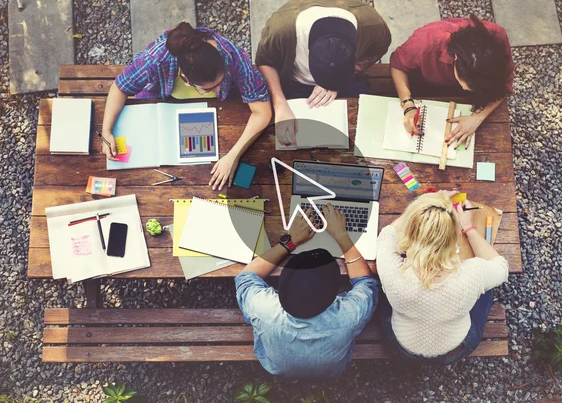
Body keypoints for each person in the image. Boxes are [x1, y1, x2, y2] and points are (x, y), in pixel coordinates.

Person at [100, 22, 271, 190]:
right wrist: (107, 130)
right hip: (159, 101)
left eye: (223, 79)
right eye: (211, 88)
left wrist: (233, 156)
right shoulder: (155, 59)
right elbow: (120, 87)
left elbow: (262, 112)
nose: (220, 88)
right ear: (186, 79)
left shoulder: (233, 56)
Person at [235, 204, 379, 379]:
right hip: (332, 370)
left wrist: (290, 242)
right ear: (335, 294)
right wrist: (341, 236)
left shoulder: (264, 308)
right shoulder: (350, 315)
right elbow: (366, 284)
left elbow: (245, 277)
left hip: (276, 367)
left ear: (280, 288)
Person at [376, 191, 509, 365]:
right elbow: (501, 267)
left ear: (409, 231)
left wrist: (424, 206)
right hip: (456, 348)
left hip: (401, 346)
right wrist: (469, 227)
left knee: (381, 287)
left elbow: (387, 234)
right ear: (454, 236)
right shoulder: (473, 273)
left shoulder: (393, 271)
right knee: (488, 287)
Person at [255, 0, 391, 146]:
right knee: (290, 135)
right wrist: (279, 104)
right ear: (308, 46)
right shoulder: (281, 31)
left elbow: (378, 49)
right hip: (296, 81)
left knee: (365, 131)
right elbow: (264, 61)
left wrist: (340, 79)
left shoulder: (373, 26)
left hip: (347, 79)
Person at [390, 15, 514, 149]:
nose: (464, 89)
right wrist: (408, 105)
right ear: (455, 57)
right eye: (464, 84)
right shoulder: (426, 41)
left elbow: (504, 85)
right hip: (423, 82)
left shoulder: (497, 38)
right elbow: (397, 65)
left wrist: (477, 118)